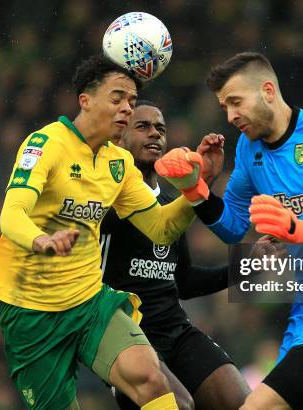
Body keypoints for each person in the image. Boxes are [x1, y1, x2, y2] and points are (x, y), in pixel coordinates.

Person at [155, 52, 303, 410]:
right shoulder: (250, 151)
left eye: (235, 102)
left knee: (256, 407)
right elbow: (233, 228)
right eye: (224, 107)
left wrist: (302, 229)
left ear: (268, 90)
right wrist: (196, 190)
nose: (230, 116)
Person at [0, 54, 204, 410]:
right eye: (117, 98)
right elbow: (12, 214)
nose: (127, 109)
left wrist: (195, 189)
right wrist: (42, 239)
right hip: (32, 313)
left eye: (131, 101)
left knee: (152, 381)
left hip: (89, 302)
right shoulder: (46, 144)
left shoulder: (119, 162)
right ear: (85, 100)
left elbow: (161, 229)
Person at [101, 100, 251, 410]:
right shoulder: (105, 199)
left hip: (175, 329)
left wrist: (244, 268)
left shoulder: (173, 206)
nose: (154, 133)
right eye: (142, 126)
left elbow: (183, 281)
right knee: (179, 406)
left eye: (160, 128)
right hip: (124, 335)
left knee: (242, 402)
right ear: (120, 139)